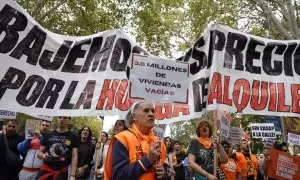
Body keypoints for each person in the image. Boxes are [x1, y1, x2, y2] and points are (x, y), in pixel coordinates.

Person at [104, 100, 167, 180]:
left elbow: (166, 171)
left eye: (153, 111)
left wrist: (163, 174)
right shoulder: (123, 138)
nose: (151, 114)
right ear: (134, 116)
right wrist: (148, 159)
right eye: (146, 110)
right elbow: (118, 176)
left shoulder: (159, 143)